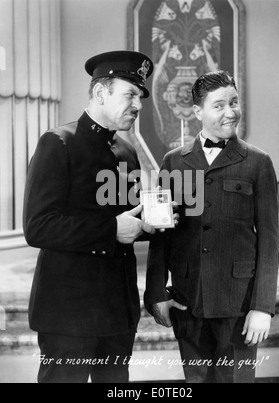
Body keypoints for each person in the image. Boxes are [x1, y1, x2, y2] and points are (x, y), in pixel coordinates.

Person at [23, 50, 175, 383]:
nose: (137, 105)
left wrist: (149, 223)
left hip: (117, 311)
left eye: (140, 97)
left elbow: (127, 220)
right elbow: (37, 227)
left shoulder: (126, 150)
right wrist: (112, 229)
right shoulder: (58, 143)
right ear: (100, 92)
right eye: (130, 94)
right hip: (68, 314)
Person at [144, 71, 279, 383]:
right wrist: (155, 293)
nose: (230, 111)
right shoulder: (173, 162)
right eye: (219, 105)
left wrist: (262, 308)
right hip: (188, 300)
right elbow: (160, 235)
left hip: (240, 306)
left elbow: (270, 242)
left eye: (233, 102)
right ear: (197, 112)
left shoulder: (258, 162)